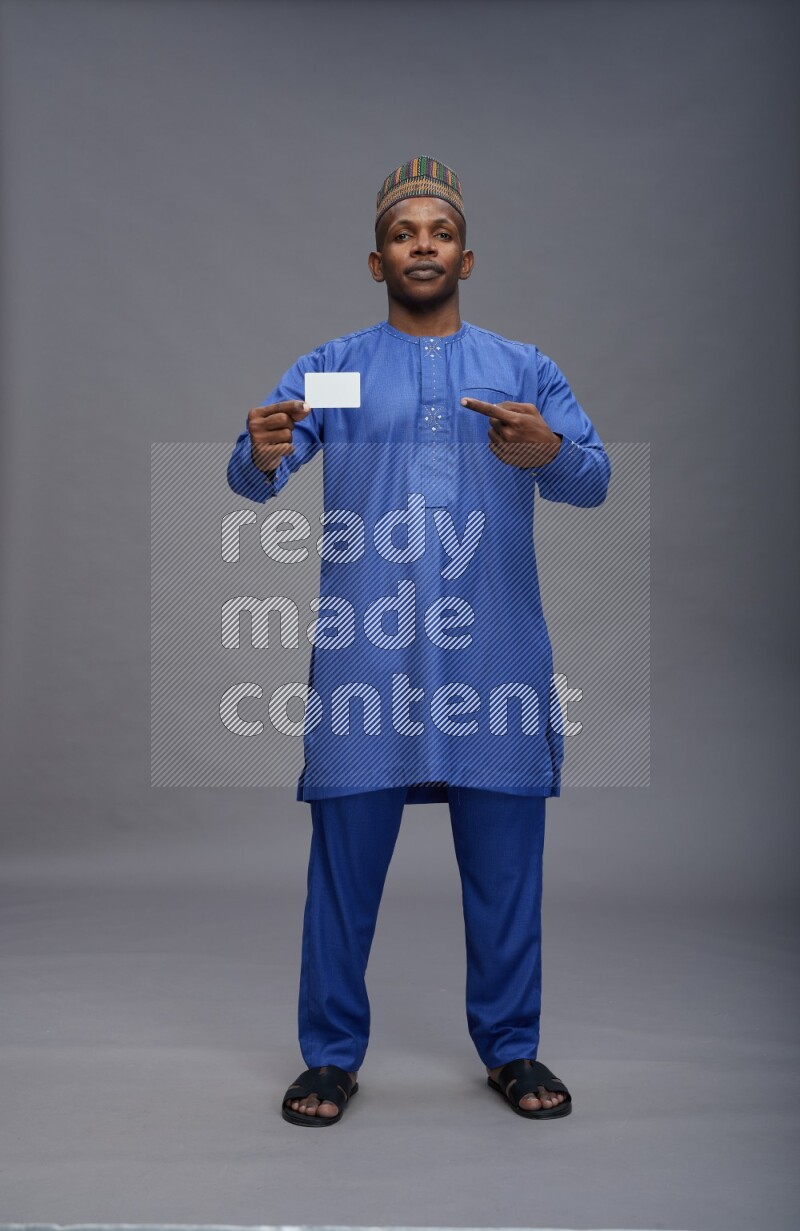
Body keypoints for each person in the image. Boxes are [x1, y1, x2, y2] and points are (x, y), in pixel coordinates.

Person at [226, 155, 611, 1125]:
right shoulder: (337, 369)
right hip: (370, 652)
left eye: (439, 232)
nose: (422, 246)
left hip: (494, 653)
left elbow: (592, 478)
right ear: (377, 262)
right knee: (343, 866)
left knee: (506, 865)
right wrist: (260, 454)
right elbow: (259, 466)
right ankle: (329, 1056)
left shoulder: (521, 369)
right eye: (403, 234)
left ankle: (511, 1047)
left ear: (466, 258)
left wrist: (548, 453)